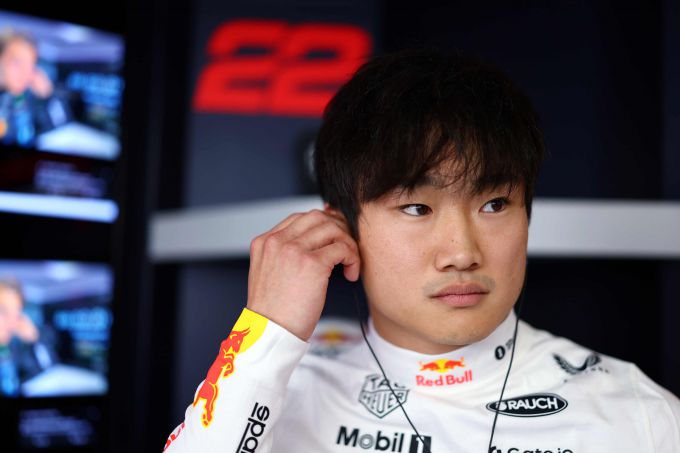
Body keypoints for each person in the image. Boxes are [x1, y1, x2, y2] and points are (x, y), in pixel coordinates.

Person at [163, 50, 680, 452]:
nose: (462, 253)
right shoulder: (272, 386)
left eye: (495, 204)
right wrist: (266, 333)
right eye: (416, 208)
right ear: (341, 228)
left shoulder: (637, 415)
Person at [0, 31, 54, 147]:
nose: (26, 74)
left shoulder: (20, 95)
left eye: (31, 65)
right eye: (17, 63)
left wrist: (46, 98)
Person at [0, 278, 39, 395]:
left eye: (16, 315)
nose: (11, 323)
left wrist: (34, 341)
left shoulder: (15, 345)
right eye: (3, 311)